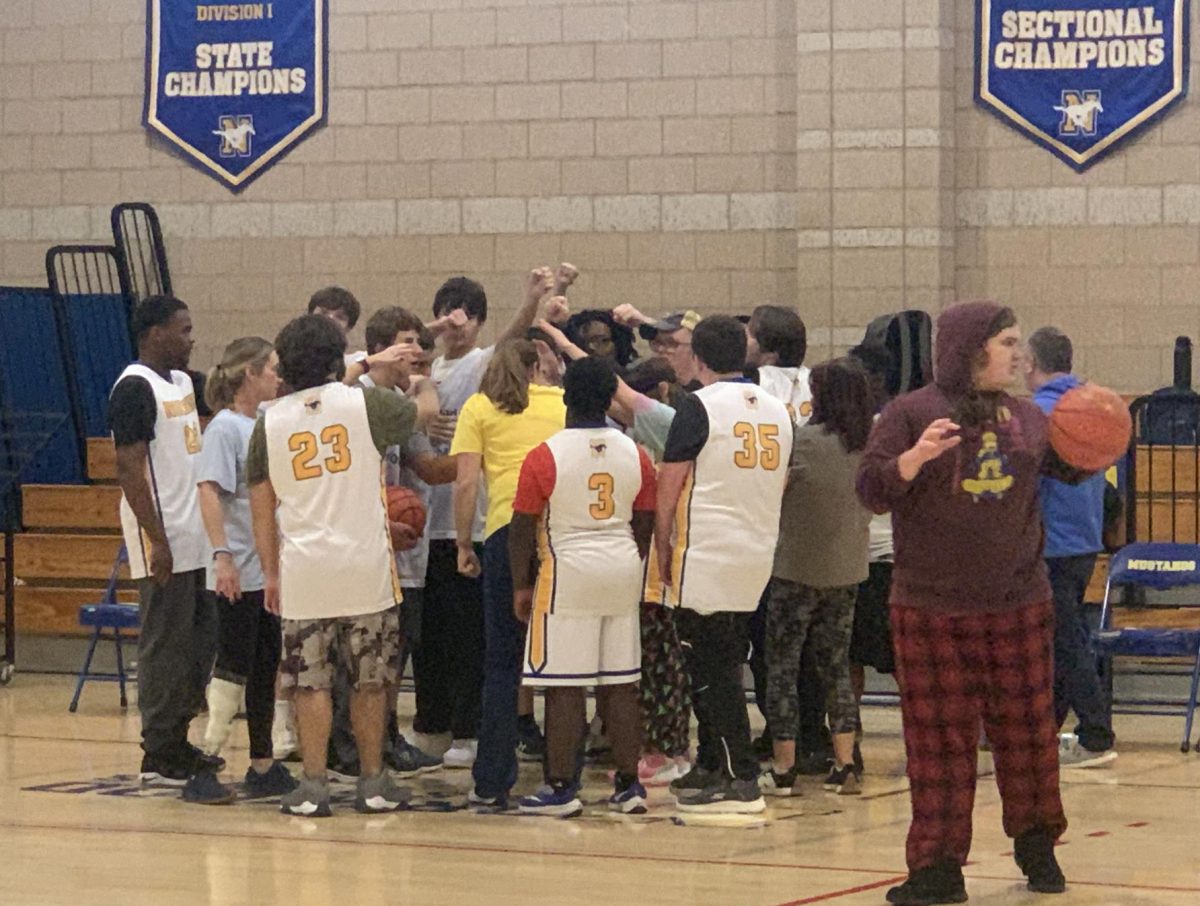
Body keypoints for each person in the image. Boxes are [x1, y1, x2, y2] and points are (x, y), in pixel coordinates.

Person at [858, 302, 1069, 904]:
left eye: (1018, 341)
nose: (1017, 353)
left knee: (1030, 735)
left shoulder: (1030, 417)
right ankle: (937, 867)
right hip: (931, 607)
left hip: (1019, 601)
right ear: (970, 348)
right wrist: (913, 458)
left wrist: (1100, 436)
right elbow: (871, 490)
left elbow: (1074, 470)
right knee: (938, 744)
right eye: (1006, 341)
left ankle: (1037, 848)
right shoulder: (909, 412)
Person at [248, 314, 429, 817]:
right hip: (365, 565)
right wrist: (422, 382)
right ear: (338, 357)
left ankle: (312, 786)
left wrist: (270, 574)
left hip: (305, 571)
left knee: (310, 682)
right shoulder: (367, 404)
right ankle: (372, 783)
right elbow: (421, 416)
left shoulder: (268, 422)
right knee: (371, 680)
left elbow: (261, 507)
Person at [414, 267, 569, 765]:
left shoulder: (482, 366)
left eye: (465, 317)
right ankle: (430, 726)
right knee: (428, 639)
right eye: (445, 316)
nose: (454, 325)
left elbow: (512, 337)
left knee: (472, 638)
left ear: (480, 323)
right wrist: (432, 332)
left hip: (475, 522)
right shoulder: (421, 368)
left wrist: (533, 299)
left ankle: (470, 731)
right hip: (420, 523)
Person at [537, 324, 695, 786]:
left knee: (662, 661)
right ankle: (654, 749)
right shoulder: (635, 441)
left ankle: (667, 749)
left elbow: (615, 386)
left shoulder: (663, 423)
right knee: (645, 666)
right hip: (643, 561)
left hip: (661, 558)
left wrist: (558, 338)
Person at [655, 315, 792, 814]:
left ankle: (741, 778)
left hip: (706, 550)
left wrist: (662, 549)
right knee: (719, 659)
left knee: (712, 668)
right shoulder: (779, 409)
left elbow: (668, 488)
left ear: (698, 357)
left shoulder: (697, 406)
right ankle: (712, 762)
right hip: (757, 551)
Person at [509, 357, 657, 816]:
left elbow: (521, 525)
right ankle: (629, 786)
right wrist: (634, 557)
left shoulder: (545, 454)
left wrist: (520, 584)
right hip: (622, 566)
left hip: (568, 572)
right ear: (612, 397)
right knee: (620, 683)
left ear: (566, 395)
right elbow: (646, 517)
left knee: (564, 686)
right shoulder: (636, 452)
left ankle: (559, 788)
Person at [323, 307, 447, 780]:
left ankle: (386, 738)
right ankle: (345, 747)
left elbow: (430, 468)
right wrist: (424, 381)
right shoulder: (361, 397)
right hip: (359, 549)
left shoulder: (393, 401)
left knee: (393, 655)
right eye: (405, 343)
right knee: (357, 659)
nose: (414, 352)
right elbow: (340, 389)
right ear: (378, 350)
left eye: (419, 342)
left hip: (399, 554)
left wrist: (484, 460)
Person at [109, 296, 220, 791]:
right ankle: (158, 748)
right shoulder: (135, 388)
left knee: (201, 643)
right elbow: (130, 469)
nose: (191, 338)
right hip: (163, 536)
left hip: (195, 532)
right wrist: (158, 539)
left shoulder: (184, 384)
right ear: (154, 333)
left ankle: (178, 737)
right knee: (166, 645)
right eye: (184, 329)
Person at [450, 340, 566, 809]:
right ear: (540, 366)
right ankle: (563, 776)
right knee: (563, 662)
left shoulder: (479, 407)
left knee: (501, 661)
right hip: (560, 535)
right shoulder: (562, 403)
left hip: (504, 534)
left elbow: (465, 482)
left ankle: (493, 779)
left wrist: (462, 542)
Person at [188, 337, 296, 805]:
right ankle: (206, 763)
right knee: (232, 665)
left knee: (264, 663)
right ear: (249, 373)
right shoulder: (226, 429)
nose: (278, 376)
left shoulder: (266, 423)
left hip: (265, 569)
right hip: (237, 568)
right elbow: (209, 492)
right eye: (271, 368)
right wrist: (223, 555)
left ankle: (262, 762)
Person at [759, 359, 874, 798]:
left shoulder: (801, 441)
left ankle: (784, 767)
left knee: (783, 668)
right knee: (836, 668)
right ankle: (845, 762)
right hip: (847, 571)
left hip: (795, 569)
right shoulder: (869, 446)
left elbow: (775, 495)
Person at [1025, 326, 1117, 768]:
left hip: (1051, 544)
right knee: (1061, 639)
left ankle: (1097, 734)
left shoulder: (1039, 414)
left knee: (1067, 642)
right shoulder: (1092, 407)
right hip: (1085, 540)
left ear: (1032, 362)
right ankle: (1051, 730)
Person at [847, 342, 899, 774]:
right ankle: (851, 740)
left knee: (903, 660)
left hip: (888, 559)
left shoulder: (894, 428)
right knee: (851, 659)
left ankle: (930, 740)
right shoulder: (850, 429)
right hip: (853, 558)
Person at [565, 309, 638, 369]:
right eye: (583, 342)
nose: (591, 348)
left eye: (601, 340)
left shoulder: (637, 378)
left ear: (618, 343)